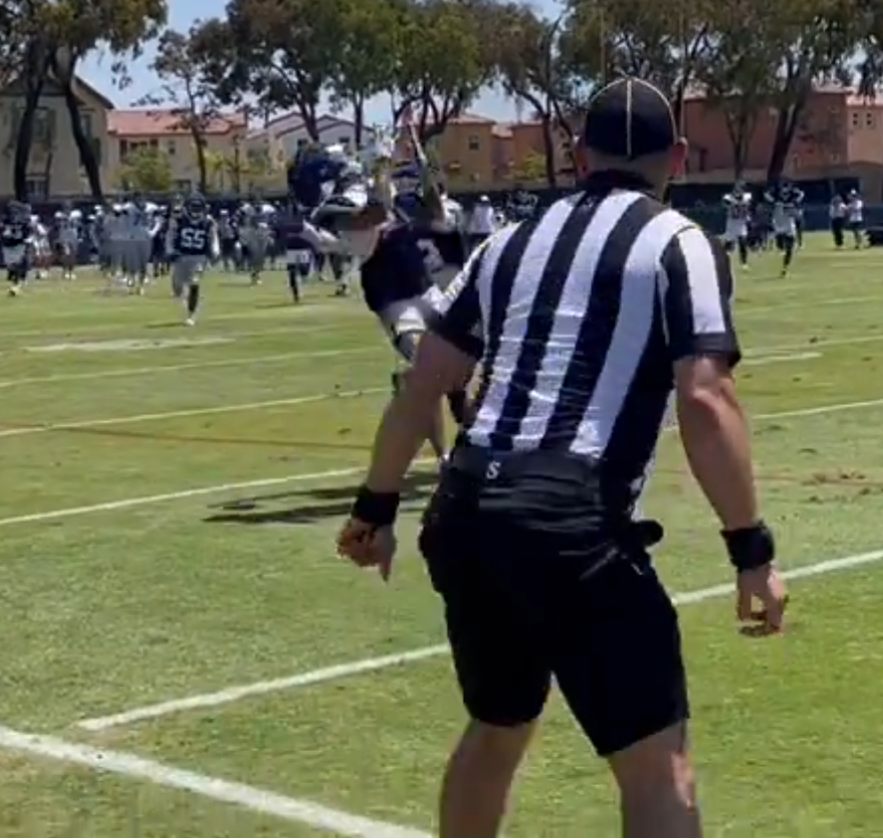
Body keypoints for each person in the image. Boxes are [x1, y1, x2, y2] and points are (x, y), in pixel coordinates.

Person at [334, 76, 786, 838]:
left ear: (579, 155)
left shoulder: (506, 245)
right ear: (676, 156)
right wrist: (751, 548)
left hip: (467, 509)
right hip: (569, 518)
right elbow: (706, 399)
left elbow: (423, 387)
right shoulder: (680, 243)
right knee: (656, 766)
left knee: (497, 726)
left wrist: (374, 509)